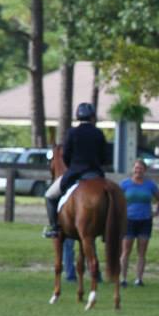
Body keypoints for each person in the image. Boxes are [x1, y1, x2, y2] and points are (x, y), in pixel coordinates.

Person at [43, 102, 108, 238]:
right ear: (92, 116)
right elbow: (104, 156)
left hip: (75, 172)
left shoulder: (72, 133)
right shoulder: (98, 133)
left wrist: (72, 166)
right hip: (96, 173)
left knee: (49, 196)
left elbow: (66, 155)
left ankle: (55, 227)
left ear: (78, 116)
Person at [120, 159, 159, 287]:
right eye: (136, 168)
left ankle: (139, 279)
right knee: (126, 250)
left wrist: (157, 211)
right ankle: (123, 278)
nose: (138, 170)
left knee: (142, 251)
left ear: (145, 170)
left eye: (141, 168)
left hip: (145, 220)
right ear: (133, 169)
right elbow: (116, 199)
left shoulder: (150, 185)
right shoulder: (125, 184)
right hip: (129, 220)